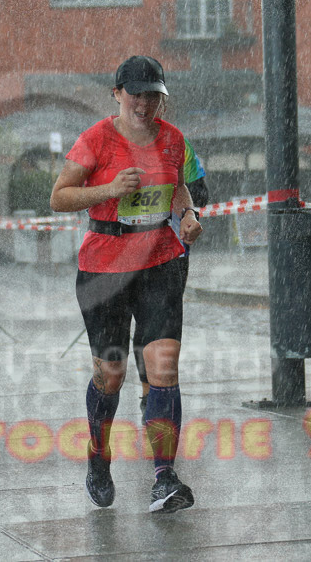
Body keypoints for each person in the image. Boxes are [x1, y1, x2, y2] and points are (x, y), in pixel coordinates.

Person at [50, 55, 202, 514]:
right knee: (111, 374)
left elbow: (178, 187)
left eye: (153, 95)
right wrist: (109, 190)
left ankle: (164, 476)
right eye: (136, 94)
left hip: (160, 262)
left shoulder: (173, 140)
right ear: (117, 93)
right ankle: (99, 454)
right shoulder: (96, 139)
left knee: (163, 366)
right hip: (106, 269)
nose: (145, 104)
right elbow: (59, 197)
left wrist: (189, 214)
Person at [132, 138, 208, 419]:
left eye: (156, 102)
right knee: (143, 324)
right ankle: (147, 391)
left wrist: (187, 211)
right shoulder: (115, 140)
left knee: (160, 326)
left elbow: (200, 192)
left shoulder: (179, 144)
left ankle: (156, 393)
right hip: (129, 253)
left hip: (173, 249)